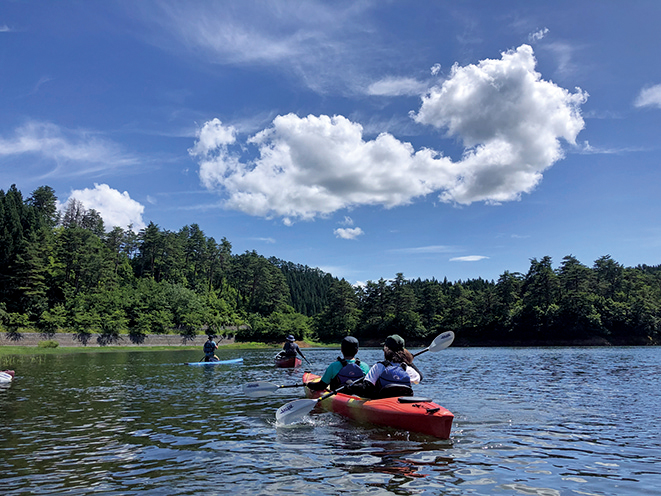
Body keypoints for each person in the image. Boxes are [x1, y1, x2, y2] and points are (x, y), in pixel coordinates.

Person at [346, 334, 423, 399]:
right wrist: (408, 361)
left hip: (382, 403)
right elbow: (420, 377)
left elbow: (366, 388)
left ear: (386, 349)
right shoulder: (407, 368)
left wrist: (352, 386)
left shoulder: (379, 367)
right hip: (401, 403)